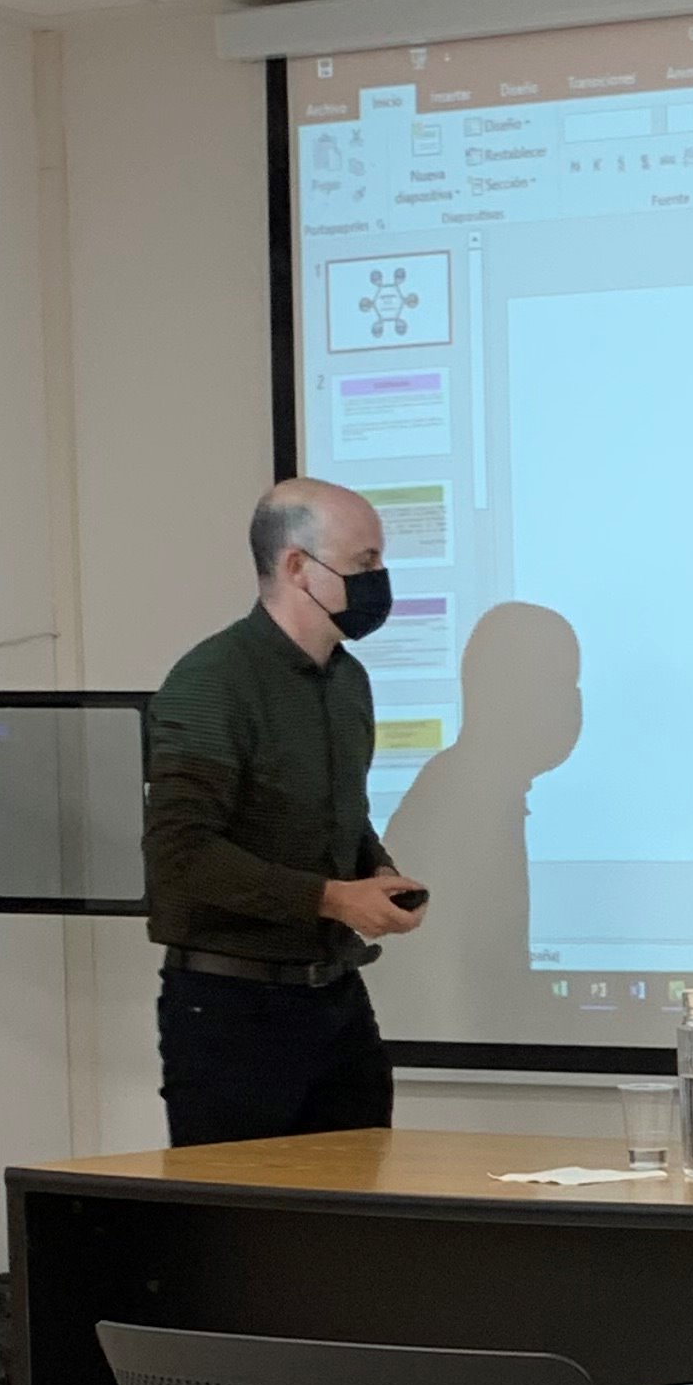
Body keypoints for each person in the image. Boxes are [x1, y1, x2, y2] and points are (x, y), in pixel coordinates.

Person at [142, 479, 427, 1146]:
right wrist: (333, 898)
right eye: (364, 562)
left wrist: (378, 871)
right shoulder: (213, 680)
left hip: (336, 1000)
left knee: (361, 1192)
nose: (379, 579)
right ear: (297, 566)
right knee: (243, 1207)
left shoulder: (348, 680)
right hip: (231, 1013)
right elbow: (181, 852)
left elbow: (338, 814)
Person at [381, 599, 582, 1029]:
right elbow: (440, 981)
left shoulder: (488, 789)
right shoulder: (458, 802)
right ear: (502, 694)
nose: (573, 704)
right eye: (558, 685)